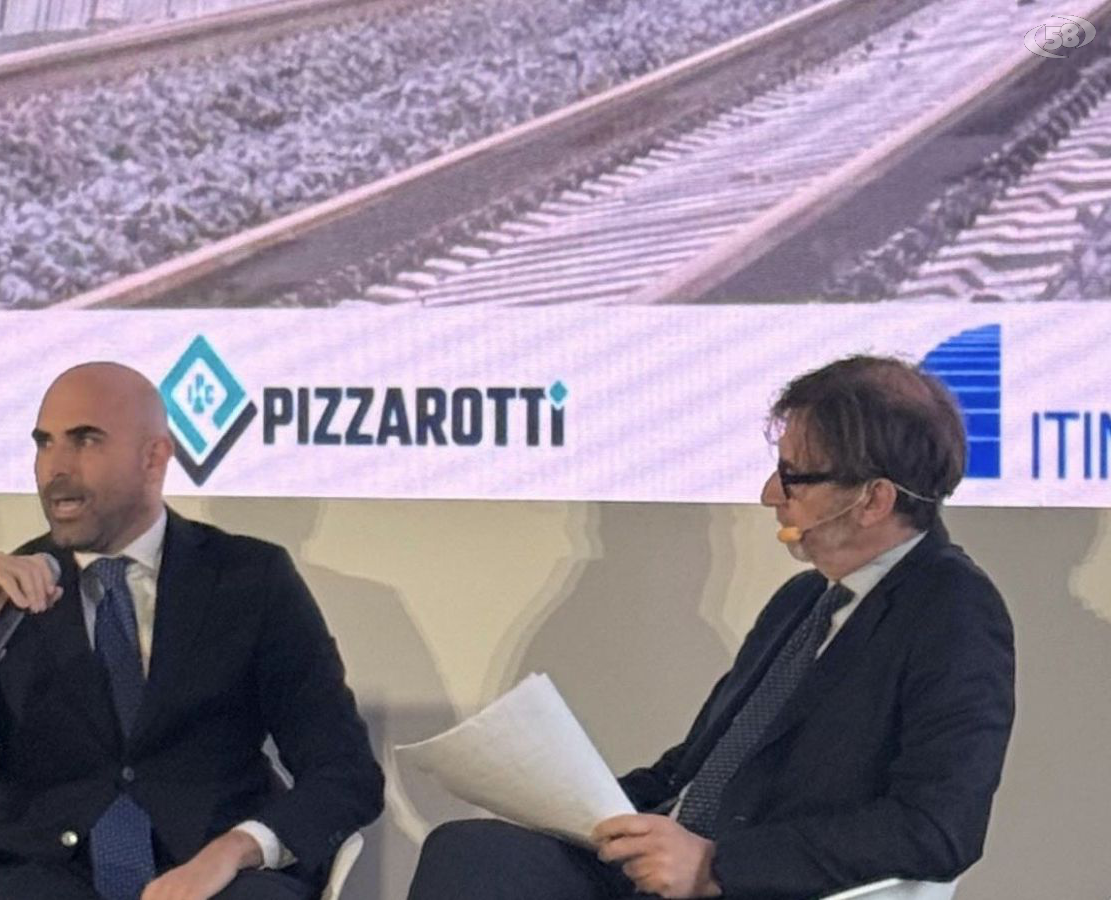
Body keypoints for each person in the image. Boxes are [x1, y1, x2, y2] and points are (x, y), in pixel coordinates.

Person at [406, 355, 1016, 900]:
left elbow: (938, 828)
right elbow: (694, 768)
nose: (770, 494)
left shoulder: (955, 611)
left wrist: (717, 866)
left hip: (751, 881)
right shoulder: (803, 600)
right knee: (471, 851)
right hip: (666, 865)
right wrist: (573, 805)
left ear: (874, 500)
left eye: (795, 476)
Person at [0, 362, 383, 900]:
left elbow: (345, 773)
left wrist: (234, 850)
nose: (56, 467)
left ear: (154, 456)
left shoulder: (251, 580)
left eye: (85, 440)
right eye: (45, 443)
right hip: (37, 873)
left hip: (216, 875)